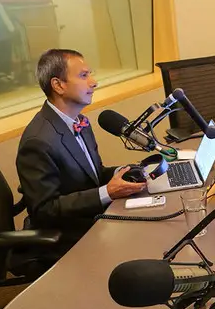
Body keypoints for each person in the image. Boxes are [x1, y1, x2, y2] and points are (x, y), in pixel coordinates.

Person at [17, 49, 146, 242]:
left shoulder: (80, 122)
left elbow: (93, 176)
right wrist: (107, 192)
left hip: (94, 219)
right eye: (84, 76)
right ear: (58, 85)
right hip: (70, 235)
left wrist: (129, 171)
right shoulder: (38, 141)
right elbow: (45, 210)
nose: (94, 82)